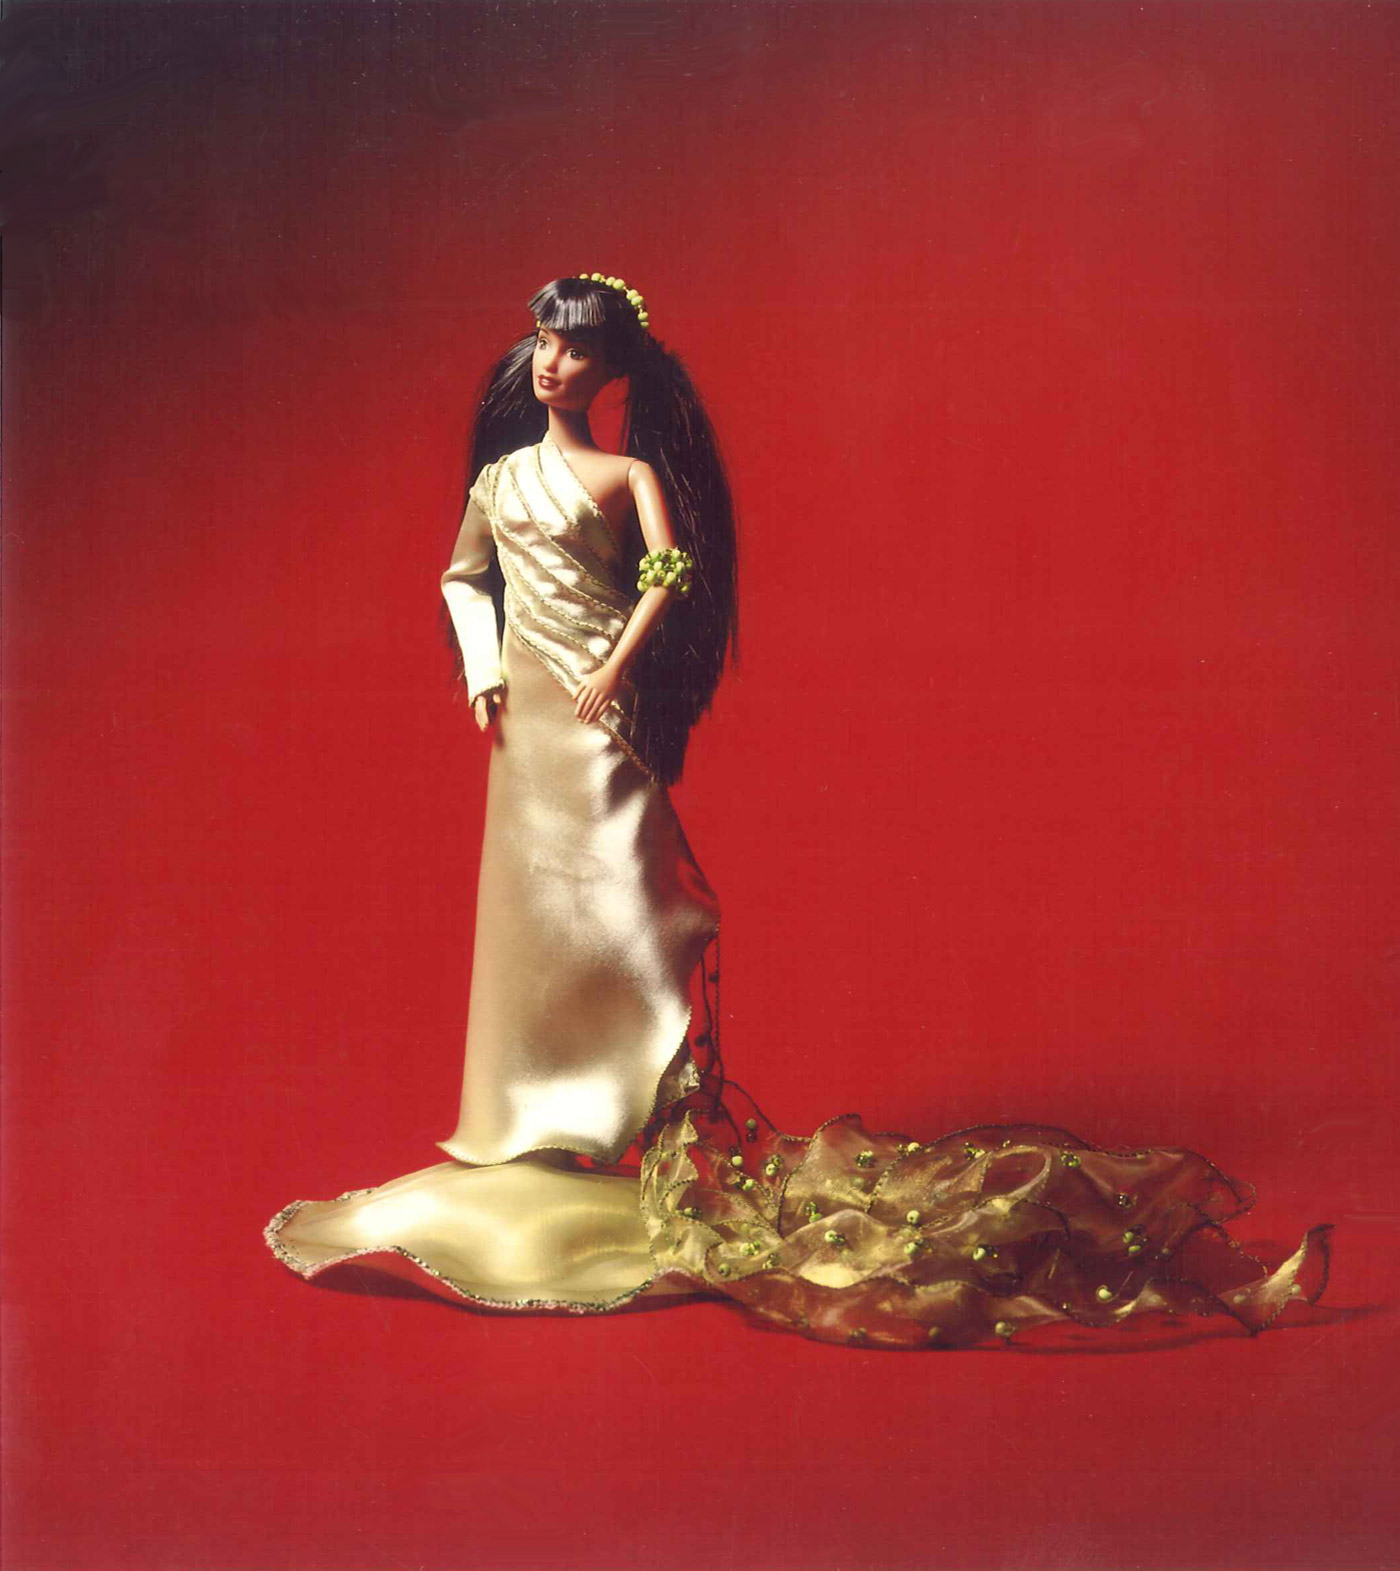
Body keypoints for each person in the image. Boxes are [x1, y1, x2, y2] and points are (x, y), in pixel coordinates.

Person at [265, 273, 1331, 1349]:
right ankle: (522, 1123)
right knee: (523, 913)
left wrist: (617, 666)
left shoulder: (627, 474)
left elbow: (668, 571)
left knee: (620, 896)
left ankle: (611, 1100)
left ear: (610, 369)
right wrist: (484, 667)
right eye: (542, 340)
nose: (550, 362)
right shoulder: (500, 480)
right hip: (524, 714)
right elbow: (465, 576)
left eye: (574, 349)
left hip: (597, 711)